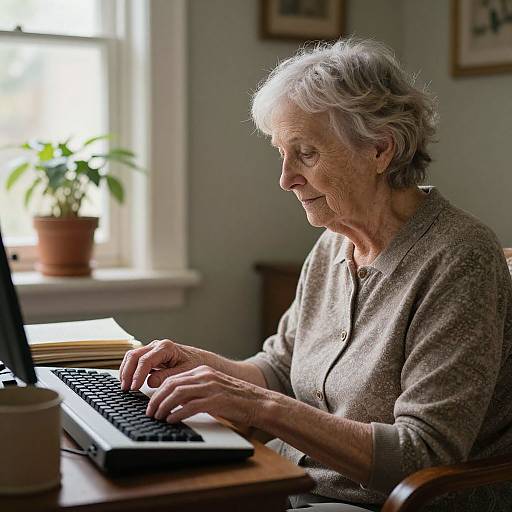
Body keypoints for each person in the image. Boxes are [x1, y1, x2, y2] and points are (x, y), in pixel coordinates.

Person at [119, 39, 512, 511]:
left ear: (380, 149)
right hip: (290, 484)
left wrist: (255, 406)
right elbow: (281, 367)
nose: (286, 178)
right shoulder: (335, 240)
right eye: (281, 152)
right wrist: (200, 366)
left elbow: (421, 454)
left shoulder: (460, 257)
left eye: (305, 153)